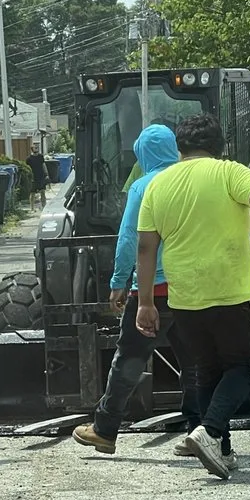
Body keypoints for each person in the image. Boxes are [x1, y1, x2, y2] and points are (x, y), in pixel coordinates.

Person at [136, 114, 250, 480]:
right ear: (219, 147)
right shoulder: (226, 172)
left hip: (185, 296)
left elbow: (145, 247)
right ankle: (211, 430)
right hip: (230, 290)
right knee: (247, 365)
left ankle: (221, 449)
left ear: (180, 148)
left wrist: (145, 302)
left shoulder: (158, 185)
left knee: (206, 370)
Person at [72, 123, 200, 454]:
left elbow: (131, 238)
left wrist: (118, 282)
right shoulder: (193, 180)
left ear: (142, 154)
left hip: (152, 291)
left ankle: (105, 430)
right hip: (192, 289)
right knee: (194, 363)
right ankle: (200, 433)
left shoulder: (142, 186)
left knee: (129, 359)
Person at [26, 143, 49, 210]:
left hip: (41, 177)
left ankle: (44, 206)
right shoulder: (29, 159)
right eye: (35, 148)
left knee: (43, 192)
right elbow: (27, 168)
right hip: (33, 178)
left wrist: (46, 174)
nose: (36, 149)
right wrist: (29, 177)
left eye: (37, 148)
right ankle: (32, 208)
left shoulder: (40, 157)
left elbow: (43, 165)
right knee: (32, 193)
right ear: (32, 149)